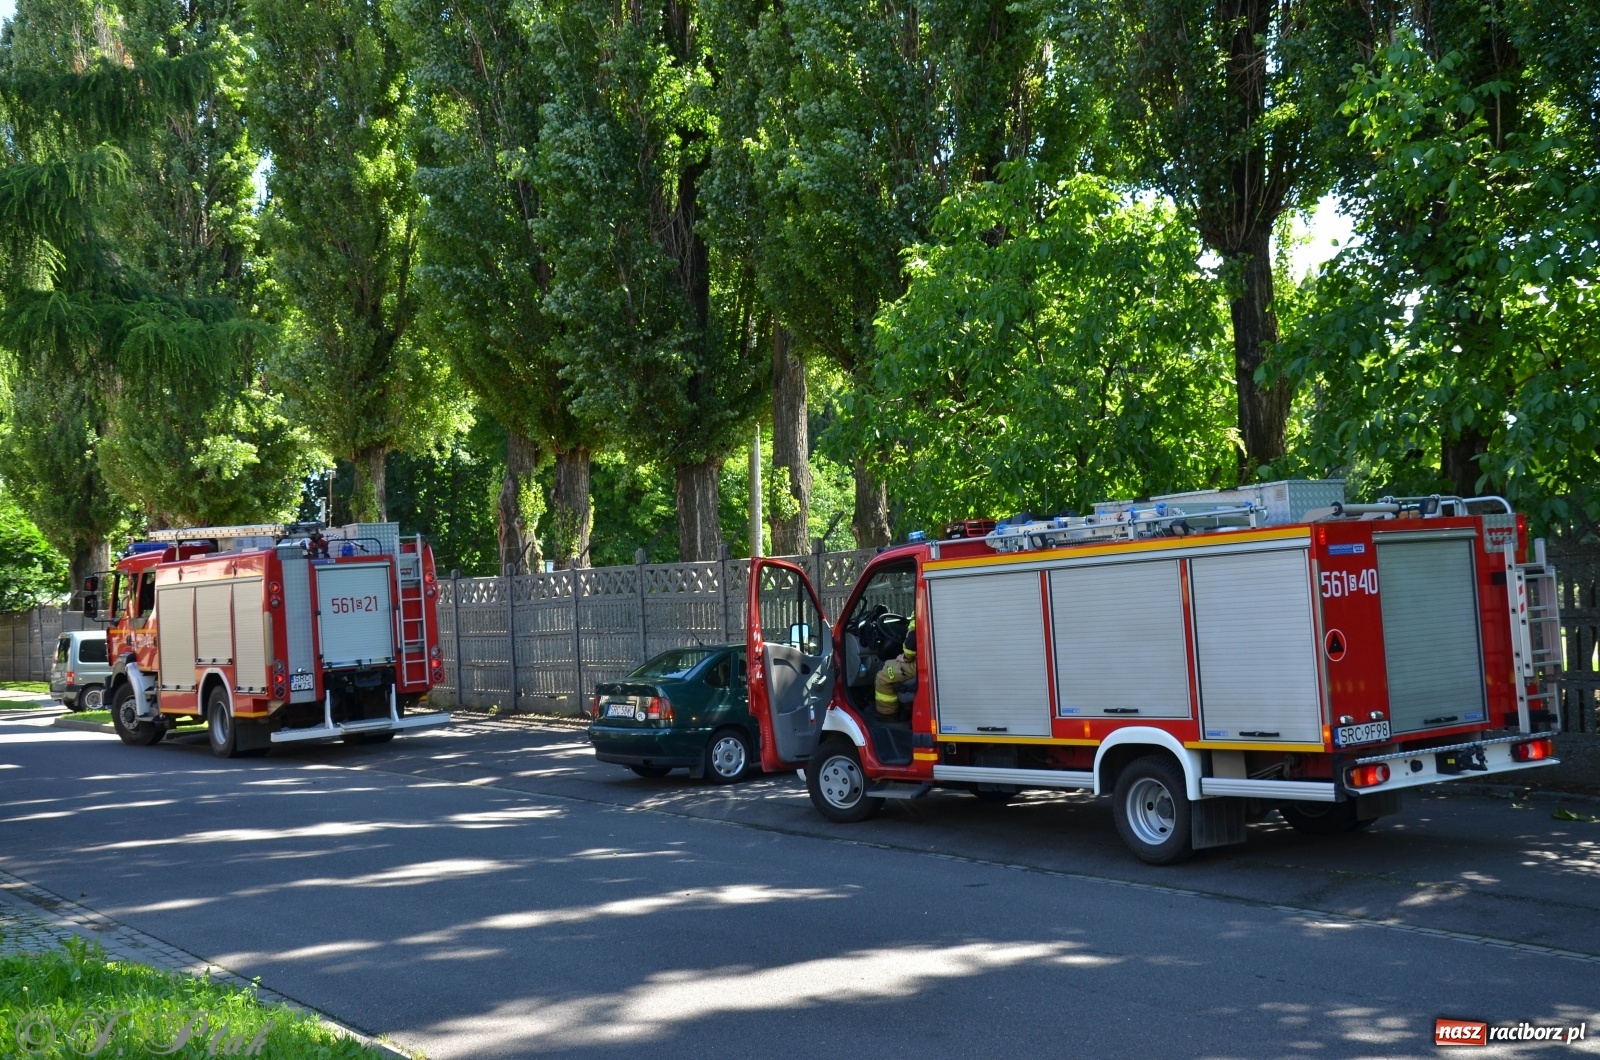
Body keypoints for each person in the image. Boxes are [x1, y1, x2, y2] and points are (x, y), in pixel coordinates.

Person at [873, 617, 918, 719]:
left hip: (920, 662)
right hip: (930, 659)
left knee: (882, 675)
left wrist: (905, 657)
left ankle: (887, 715)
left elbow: (910, 645)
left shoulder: (919, 612)